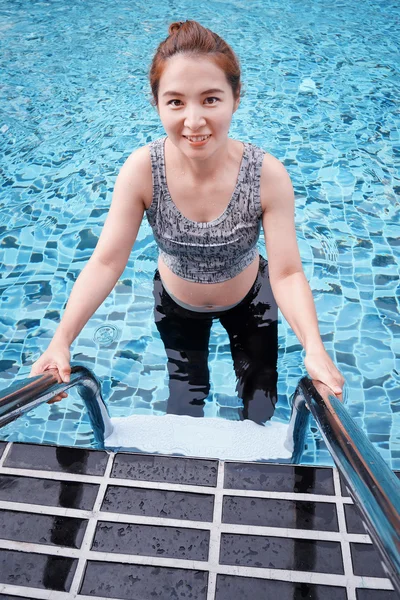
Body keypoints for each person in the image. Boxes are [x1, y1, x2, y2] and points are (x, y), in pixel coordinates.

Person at [30, 20, 344, 423]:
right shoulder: (143, 170)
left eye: (210, 99)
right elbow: (106, 262)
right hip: (177, 307)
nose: (193, 121)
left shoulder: (267, 175)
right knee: (185, 398)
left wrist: (314, 348)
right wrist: (62, 340)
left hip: (252, 303)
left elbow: (286, 273)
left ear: (235, 98)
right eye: (176, 102)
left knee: (261, 401)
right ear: (157, 104)